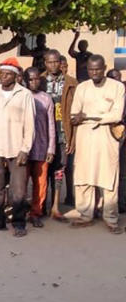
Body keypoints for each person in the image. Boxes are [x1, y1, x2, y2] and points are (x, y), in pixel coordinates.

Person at [69, 55, 125, 233]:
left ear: (104, 68)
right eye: (91, 70)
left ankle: (110, 218)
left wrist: (89, 117)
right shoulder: (82, 88)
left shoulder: (117, 87)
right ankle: (85, 214)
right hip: (85, 137)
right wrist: (78, 118)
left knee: (108, 177)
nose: (94, 73)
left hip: (106, 136)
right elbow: (73, 114)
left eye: (98, 69)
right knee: (84, 177)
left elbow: (116, 115)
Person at [0, 57, 35, 237]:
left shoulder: (25, 94)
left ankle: (19, 222)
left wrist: (25, 149)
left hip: (17, 149)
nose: (2, 77)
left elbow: (30, 124)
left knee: (18, 190)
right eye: (1, 74)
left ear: (15, 76)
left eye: (7, 74)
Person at [42, 50, 77, 221]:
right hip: (43, 135)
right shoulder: (39, 81)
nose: (53, 65)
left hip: (62, 133)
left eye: (56, 61)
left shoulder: (71, 83)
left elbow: (76, 111)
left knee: (59, 170)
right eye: (50, 62)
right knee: (42, 170)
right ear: (45, 63)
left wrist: (72, 137)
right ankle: (41, 204)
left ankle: (55, 205)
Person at [24, 67, 56, 228]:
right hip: (23, 150)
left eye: (37, 78)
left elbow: (51, 124)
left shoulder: (46, 99)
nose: (34, 82)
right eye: (30, 79)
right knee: (20, 183)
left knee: (40, 183)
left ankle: (36, 212)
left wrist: (51, 148)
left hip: (42, 148)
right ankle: (20, 211)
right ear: (25, 80)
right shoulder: (21, 97)